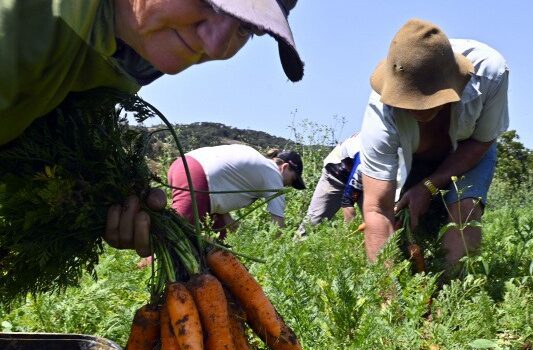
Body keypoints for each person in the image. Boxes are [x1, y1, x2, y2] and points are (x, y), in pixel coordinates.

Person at [0, 0, 305, 257]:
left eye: (245, 28)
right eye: (210, 0)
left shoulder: (129, 53)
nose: (215, 45)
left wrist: (81, 197)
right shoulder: (23, 17)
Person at [358, 19, 510, 274]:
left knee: (464, 211)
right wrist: (387, 302)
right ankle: (410, 285)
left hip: (469, 147)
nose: (415, 109)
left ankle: (450, 297)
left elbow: (482, 140)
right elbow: (376, 209)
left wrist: (428, 187)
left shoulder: (490, 75)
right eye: (408, 102)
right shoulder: (380, 113)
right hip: (415, 156)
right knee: (405, 224)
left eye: (425, 101)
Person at [168, 144, 306, 236]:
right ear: (285, 167)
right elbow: (278, 226)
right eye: (293, 180)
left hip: (182, 165)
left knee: (221, 242)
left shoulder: (258, 162)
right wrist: (278, 252)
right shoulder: (274, 174)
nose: (289, 185)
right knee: (174, 239)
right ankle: (148, 270)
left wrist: (233, 226)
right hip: (197, 178)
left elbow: (221, 180)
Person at [301, 133, 366, 232]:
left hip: (368, 179)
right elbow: (348, 201)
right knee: (312, 223)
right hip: (336, 175)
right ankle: (297, 244)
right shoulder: (371, 147)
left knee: (378, 221)